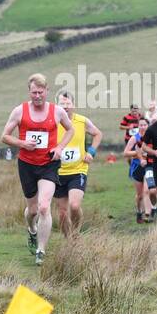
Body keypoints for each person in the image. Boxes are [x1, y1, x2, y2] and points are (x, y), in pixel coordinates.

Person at [0, 73, 74, 266]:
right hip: (26, 164)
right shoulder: (19, 111)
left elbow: (70, 130)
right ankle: (32, 229)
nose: (38, 96)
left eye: (41, 92)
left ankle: (41, 250)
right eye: (34, 92)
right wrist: (22, 143)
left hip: (48, 164)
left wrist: (59, 148)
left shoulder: (57, 111)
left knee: (43, 206)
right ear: (29, 92)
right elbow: (5, 136)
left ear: (47, 91)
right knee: (32, 210)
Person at [52, 90, 101, 237]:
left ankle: (76, 234)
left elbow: (98, 134)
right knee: (61, 214)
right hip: (58, 172)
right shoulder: (53, 122)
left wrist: (91, 152)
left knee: (74, 206)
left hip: (78, 170)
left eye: (68, 103)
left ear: (73, 105)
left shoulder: (82, 121)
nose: (66, 107)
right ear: (57, 105)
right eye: (62, 104)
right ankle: (69, 241)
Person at [124, 117, 152, 223]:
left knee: (147, 191)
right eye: (141, 125)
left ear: (148, 126)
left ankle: (147, 214)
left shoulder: (151, 137)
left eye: (145, 125)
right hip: (137, 167)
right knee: (140, 195)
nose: (143, 127)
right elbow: (125, 153)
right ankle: (139, 212)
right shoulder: (134, 138)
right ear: (138, 126)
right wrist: (138, 153)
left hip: (149, 165)